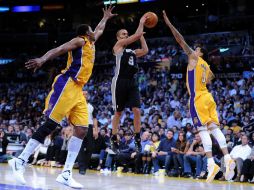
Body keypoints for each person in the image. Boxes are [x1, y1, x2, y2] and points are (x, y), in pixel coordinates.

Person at [8, 5, 117, 189]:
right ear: (85, 33)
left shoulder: (91, 42)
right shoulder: (79, 41)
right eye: (91, 30)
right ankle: (20, 160)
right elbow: (59, 49)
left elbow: (99, 29)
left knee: (82, 129)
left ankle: (66, 173)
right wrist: (42, 59)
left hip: (79, 90)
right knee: (51, 124)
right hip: (67, 84)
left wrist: (105, 17)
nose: (94, 31)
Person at [163, 10, 236, 182]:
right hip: (208, 97)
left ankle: (211, 163)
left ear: (199, 52)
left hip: (198, 98)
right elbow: (210, 77)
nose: (192, 50)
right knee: (214, 128)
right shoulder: (206, 66)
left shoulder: (194, 58)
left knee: (202, 130)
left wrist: (169, 24)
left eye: (196, 49)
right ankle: (227, 157)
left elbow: (179, 39)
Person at [110, 15, 149, 153]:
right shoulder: (118, 47)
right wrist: (141, 22)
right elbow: (135, 35)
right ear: (118, 38)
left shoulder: (131, 51)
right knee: (118, 112)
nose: (126, 35)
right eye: (123, 34)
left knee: (137, 110)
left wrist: (141, 36)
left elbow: (145, 50)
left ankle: (137, 138)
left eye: (127, 34)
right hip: (119, 81)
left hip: (132, 82)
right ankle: (113, 138)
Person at [78, 91, 98, 175]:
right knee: (80, 147)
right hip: (79, 126)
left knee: (90, 148)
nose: (85, 95)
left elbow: (94, 119)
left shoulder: (91, 106)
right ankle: (81, 167)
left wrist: (96, 130)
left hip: (89, 127)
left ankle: (85, 165)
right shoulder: (77, 105)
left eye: (87, 94)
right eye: (84, 94)